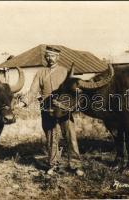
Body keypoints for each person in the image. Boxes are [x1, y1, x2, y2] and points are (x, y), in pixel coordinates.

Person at [22, 46, 84, 176]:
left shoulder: (65, 72)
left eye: (53, 56)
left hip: (64, 110)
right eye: (48, 56)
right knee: (51, 138)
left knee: (70, 137)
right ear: (45, 57)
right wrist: (25, 101)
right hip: (47, 109)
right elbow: (33, 90)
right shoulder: (41, 73)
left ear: (58, 57)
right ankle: (53, 165)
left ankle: (75, 165)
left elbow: (72, 90)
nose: (50, 58)